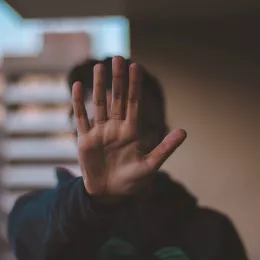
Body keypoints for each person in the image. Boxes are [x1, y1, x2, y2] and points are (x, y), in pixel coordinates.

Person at [8, 56, 248, 260]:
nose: (116, 142)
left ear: (161, 133)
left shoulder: (212, 232)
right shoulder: (39, 216)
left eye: (136, 126)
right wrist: (94, 200)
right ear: (76, 135)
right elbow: (30, 238)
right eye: (98, 127)